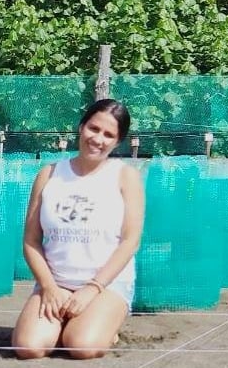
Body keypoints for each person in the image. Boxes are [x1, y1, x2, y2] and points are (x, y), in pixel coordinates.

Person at [11, 99, 144, 359]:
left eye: (109, 135)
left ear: (118, 142)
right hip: (56, 284)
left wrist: (92, 289)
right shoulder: (48, 174)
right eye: (93, 129)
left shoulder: (125, 177)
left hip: (105, 286)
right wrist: (48, 287)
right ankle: (62, 321)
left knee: (81, 346)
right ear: (81, 127)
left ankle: (106, 323)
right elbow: (31, 240)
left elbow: (130, 241)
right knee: (29, 347)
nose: (98, 139)